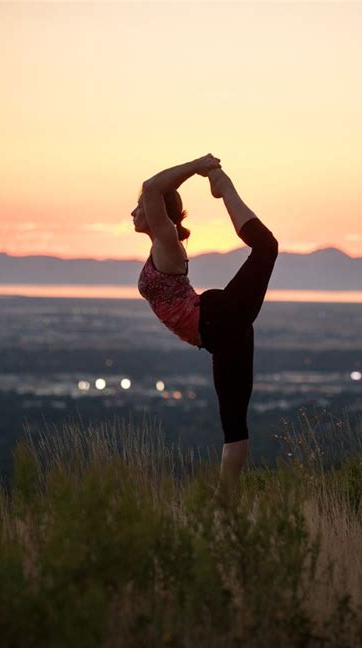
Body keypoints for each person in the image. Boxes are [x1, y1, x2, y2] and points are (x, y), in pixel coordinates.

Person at [133, 155, 278, 495]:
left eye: (139, 207)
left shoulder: (167, 242)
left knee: (267, 247)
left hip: (217, 319)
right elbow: (154, 192)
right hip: (219, 335)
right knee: (234, 424)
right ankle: (225, 506)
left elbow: (154, 187)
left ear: (158, 213)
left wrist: (199, 165)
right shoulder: (161, 245)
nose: (133, 212)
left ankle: (225, 188)